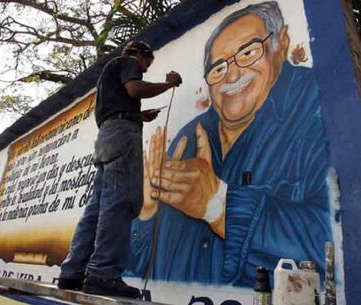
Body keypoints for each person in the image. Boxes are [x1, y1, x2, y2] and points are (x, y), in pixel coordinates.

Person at [129, 1, 332, 287]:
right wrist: (147, 214)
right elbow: (136, 272)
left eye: (248, 52)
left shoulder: (320, 107)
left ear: (281, 43)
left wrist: (219, 206)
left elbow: (333, 244)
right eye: (218, 68)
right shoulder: (188, 137)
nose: (232, 76)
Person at [58, 41, 182, 298]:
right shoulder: (127, 62)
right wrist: (168, 84)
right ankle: (103, 273)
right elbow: (135, 89)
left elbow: (125, 101)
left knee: (97, 207)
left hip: (107, 136)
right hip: (122, 136)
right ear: (140, 54)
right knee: (120, 201)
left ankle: (72, 273)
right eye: (146, 64)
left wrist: (140, 116)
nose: (144, 70)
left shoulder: (108, 75)